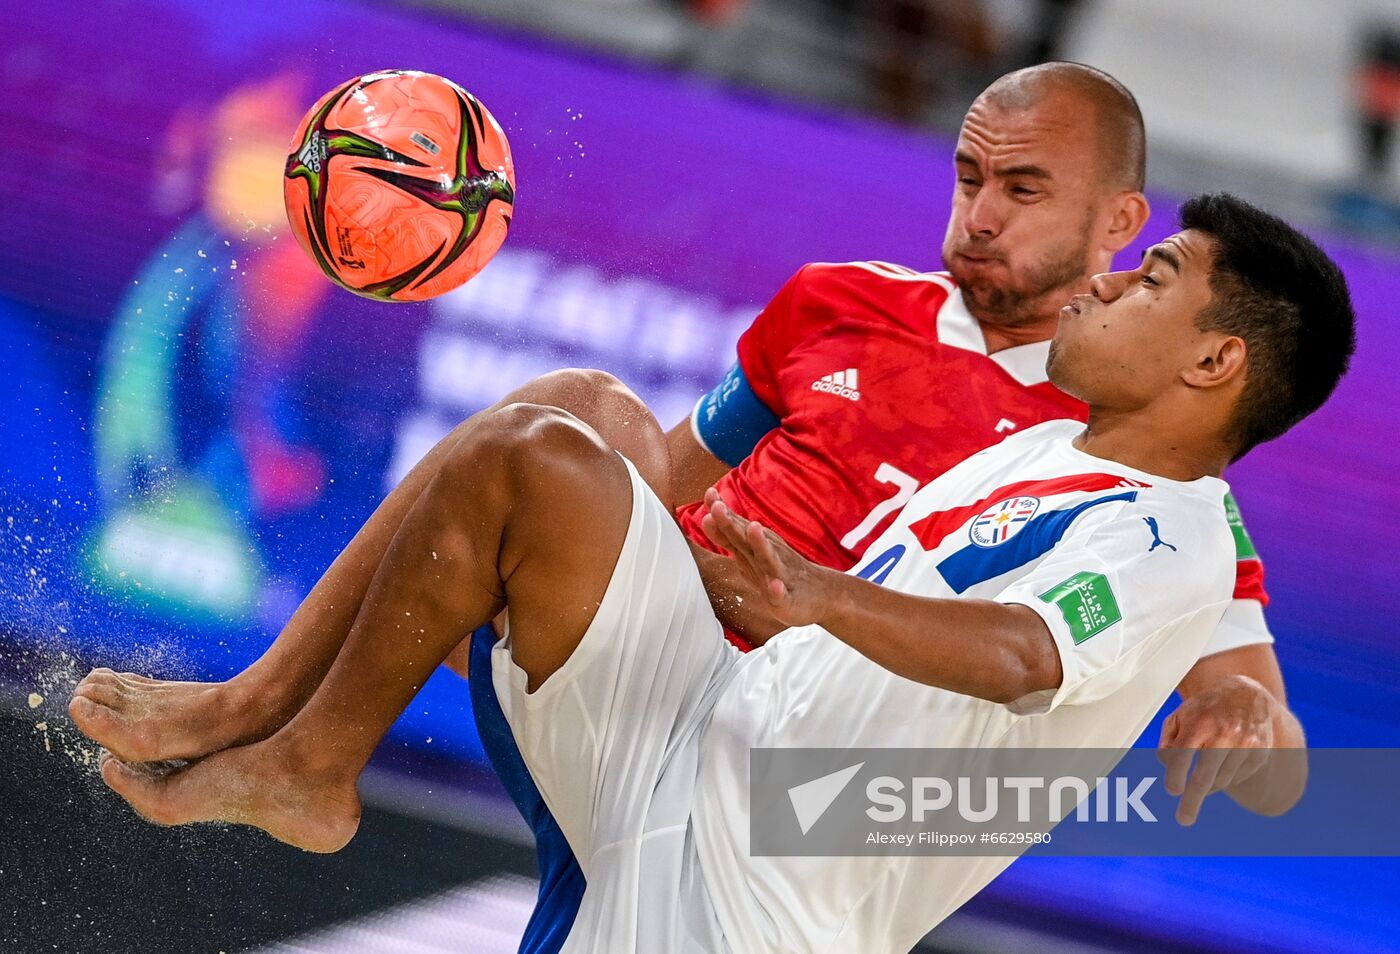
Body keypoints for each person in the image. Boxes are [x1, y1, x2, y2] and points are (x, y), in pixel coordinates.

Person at [73, 193, 1355, 953]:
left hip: (743, 888)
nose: (1112, 284)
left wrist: (812, 593)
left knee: (540, 450)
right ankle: (277, 732)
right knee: (553, 420)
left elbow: (1027, 656)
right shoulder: (1043, 443)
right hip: (699, 726)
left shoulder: (1172, 538)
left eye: (1154, 282)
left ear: (1212, 366)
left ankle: (297, 756)